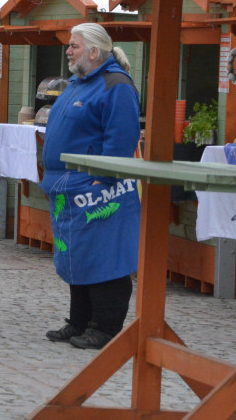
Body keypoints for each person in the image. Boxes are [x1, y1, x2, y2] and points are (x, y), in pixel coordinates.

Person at [40, 22, 141, 350]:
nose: (68, 51)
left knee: (104, 258)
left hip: (96, 189)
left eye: (74, 46)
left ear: (94, 52)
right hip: (68, 188)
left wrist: (104, 178)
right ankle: (79, 322)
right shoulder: (77, 83)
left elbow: (122, 138)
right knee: (78, 257)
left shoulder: (116, 85)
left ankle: (104, 327)